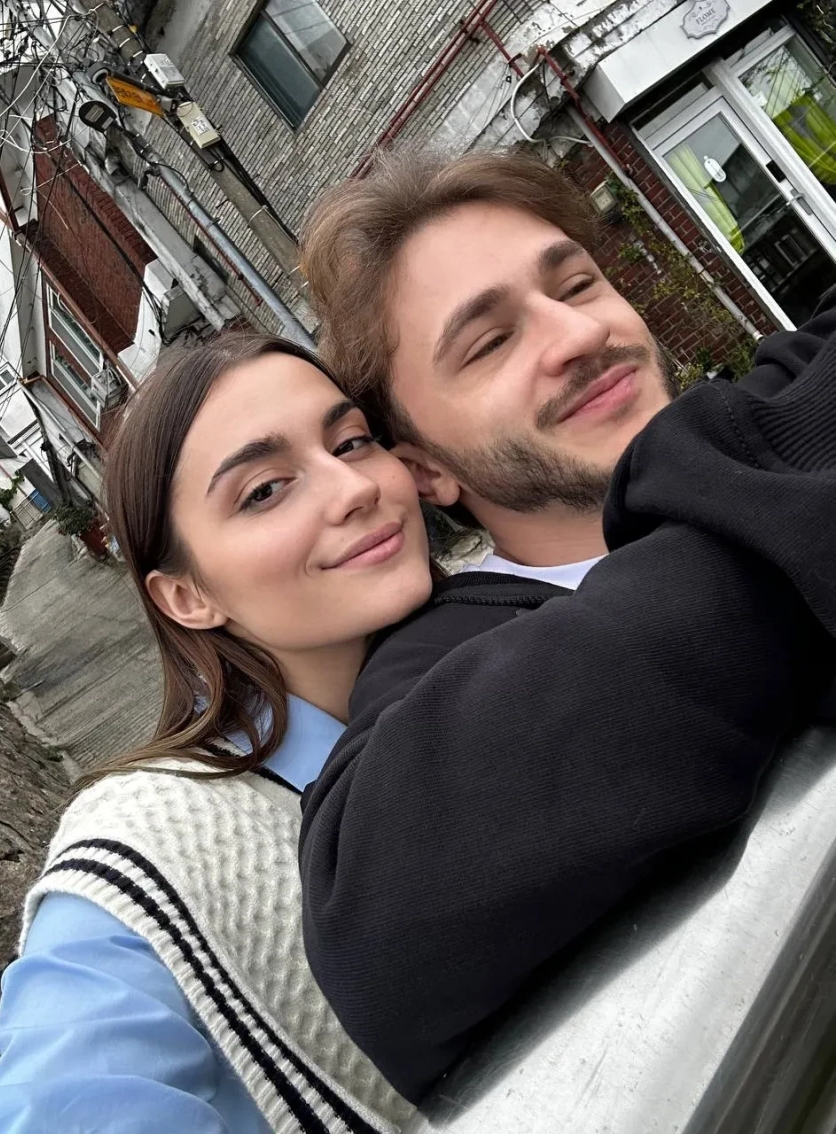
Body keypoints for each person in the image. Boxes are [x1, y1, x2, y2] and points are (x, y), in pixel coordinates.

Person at [296, 148, 836, 1102]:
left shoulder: (758, 408)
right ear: (426, 470)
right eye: (488, 343)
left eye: (576, 284)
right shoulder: (435, 665)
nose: (577, 334)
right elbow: (374, 937)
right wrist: (772, 525)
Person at [0, 335, 428, 1134]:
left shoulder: (516, 636)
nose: (354, 488)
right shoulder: (150, 846)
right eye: (265, 491)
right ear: (187, 596)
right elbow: (68, 1087)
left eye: (351, 442)